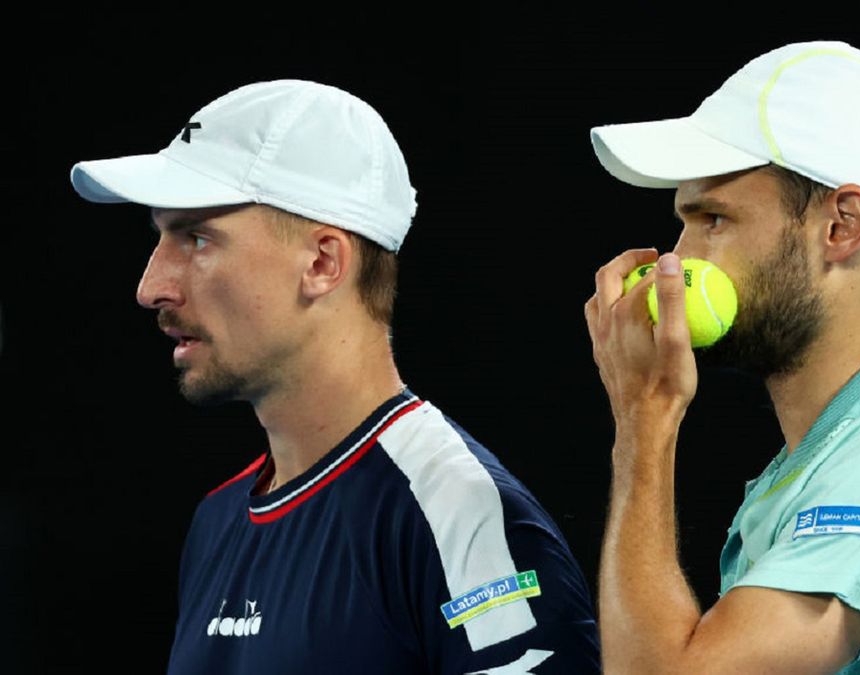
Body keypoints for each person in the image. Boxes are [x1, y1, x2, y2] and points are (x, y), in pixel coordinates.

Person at [71, 79, 599, 674]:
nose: (150, 287)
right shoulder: (215, 520)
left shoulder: (457, 509)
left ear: (323, 263)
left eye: (196, 237)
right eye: (160, 236)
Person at [584, 41, 860, 674]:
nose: (677, 259)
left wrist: (645, 416)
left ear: (843, 226)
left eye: (713, 218)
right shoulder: (827, 459)